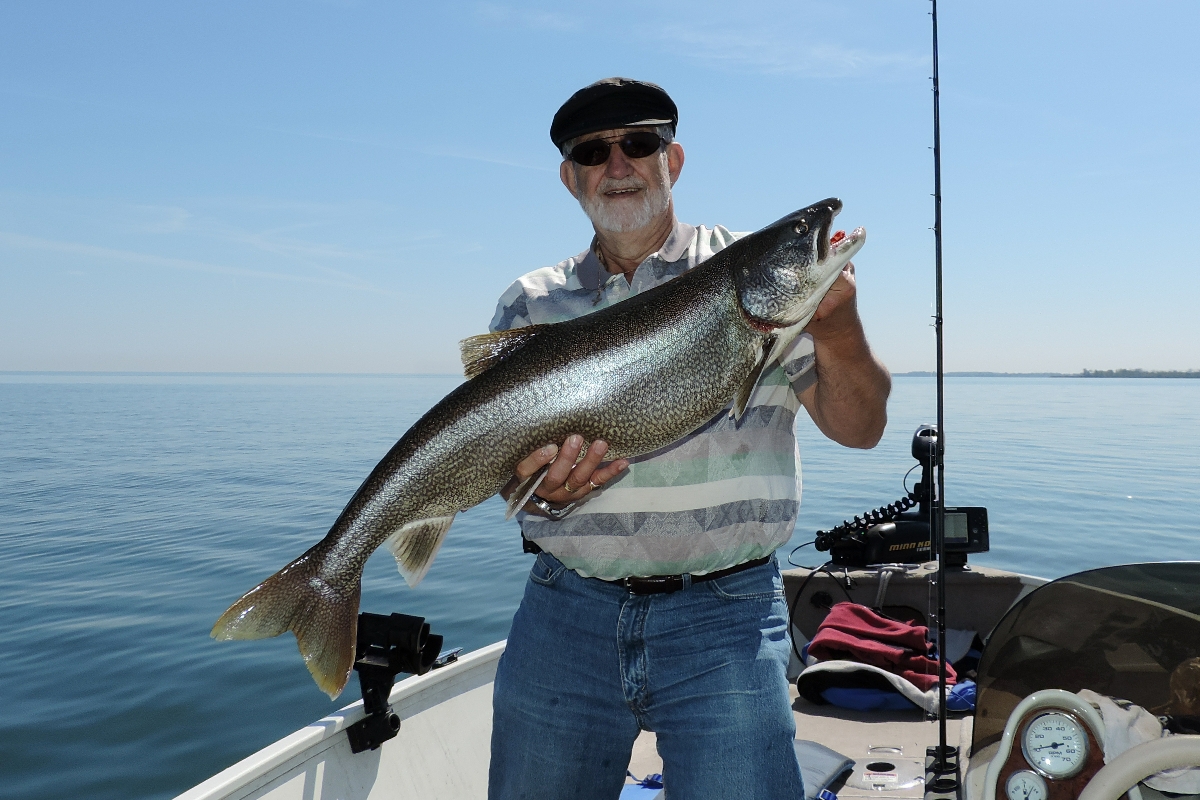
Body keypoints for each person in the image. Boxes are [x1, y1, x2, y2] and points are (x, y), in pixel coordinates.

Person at [487, 77, 891, 800]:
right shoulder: (530, 303)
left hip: (727, 621)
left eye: (639, 144)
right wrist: (539, 495)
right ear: (570, 177)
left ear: (672, 161)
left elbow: (861, 430)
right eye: (594, 152)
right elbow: (503, 472)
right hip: (564, 613)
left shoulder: (750, 269)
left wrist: (837, 328)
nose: (618, 165)